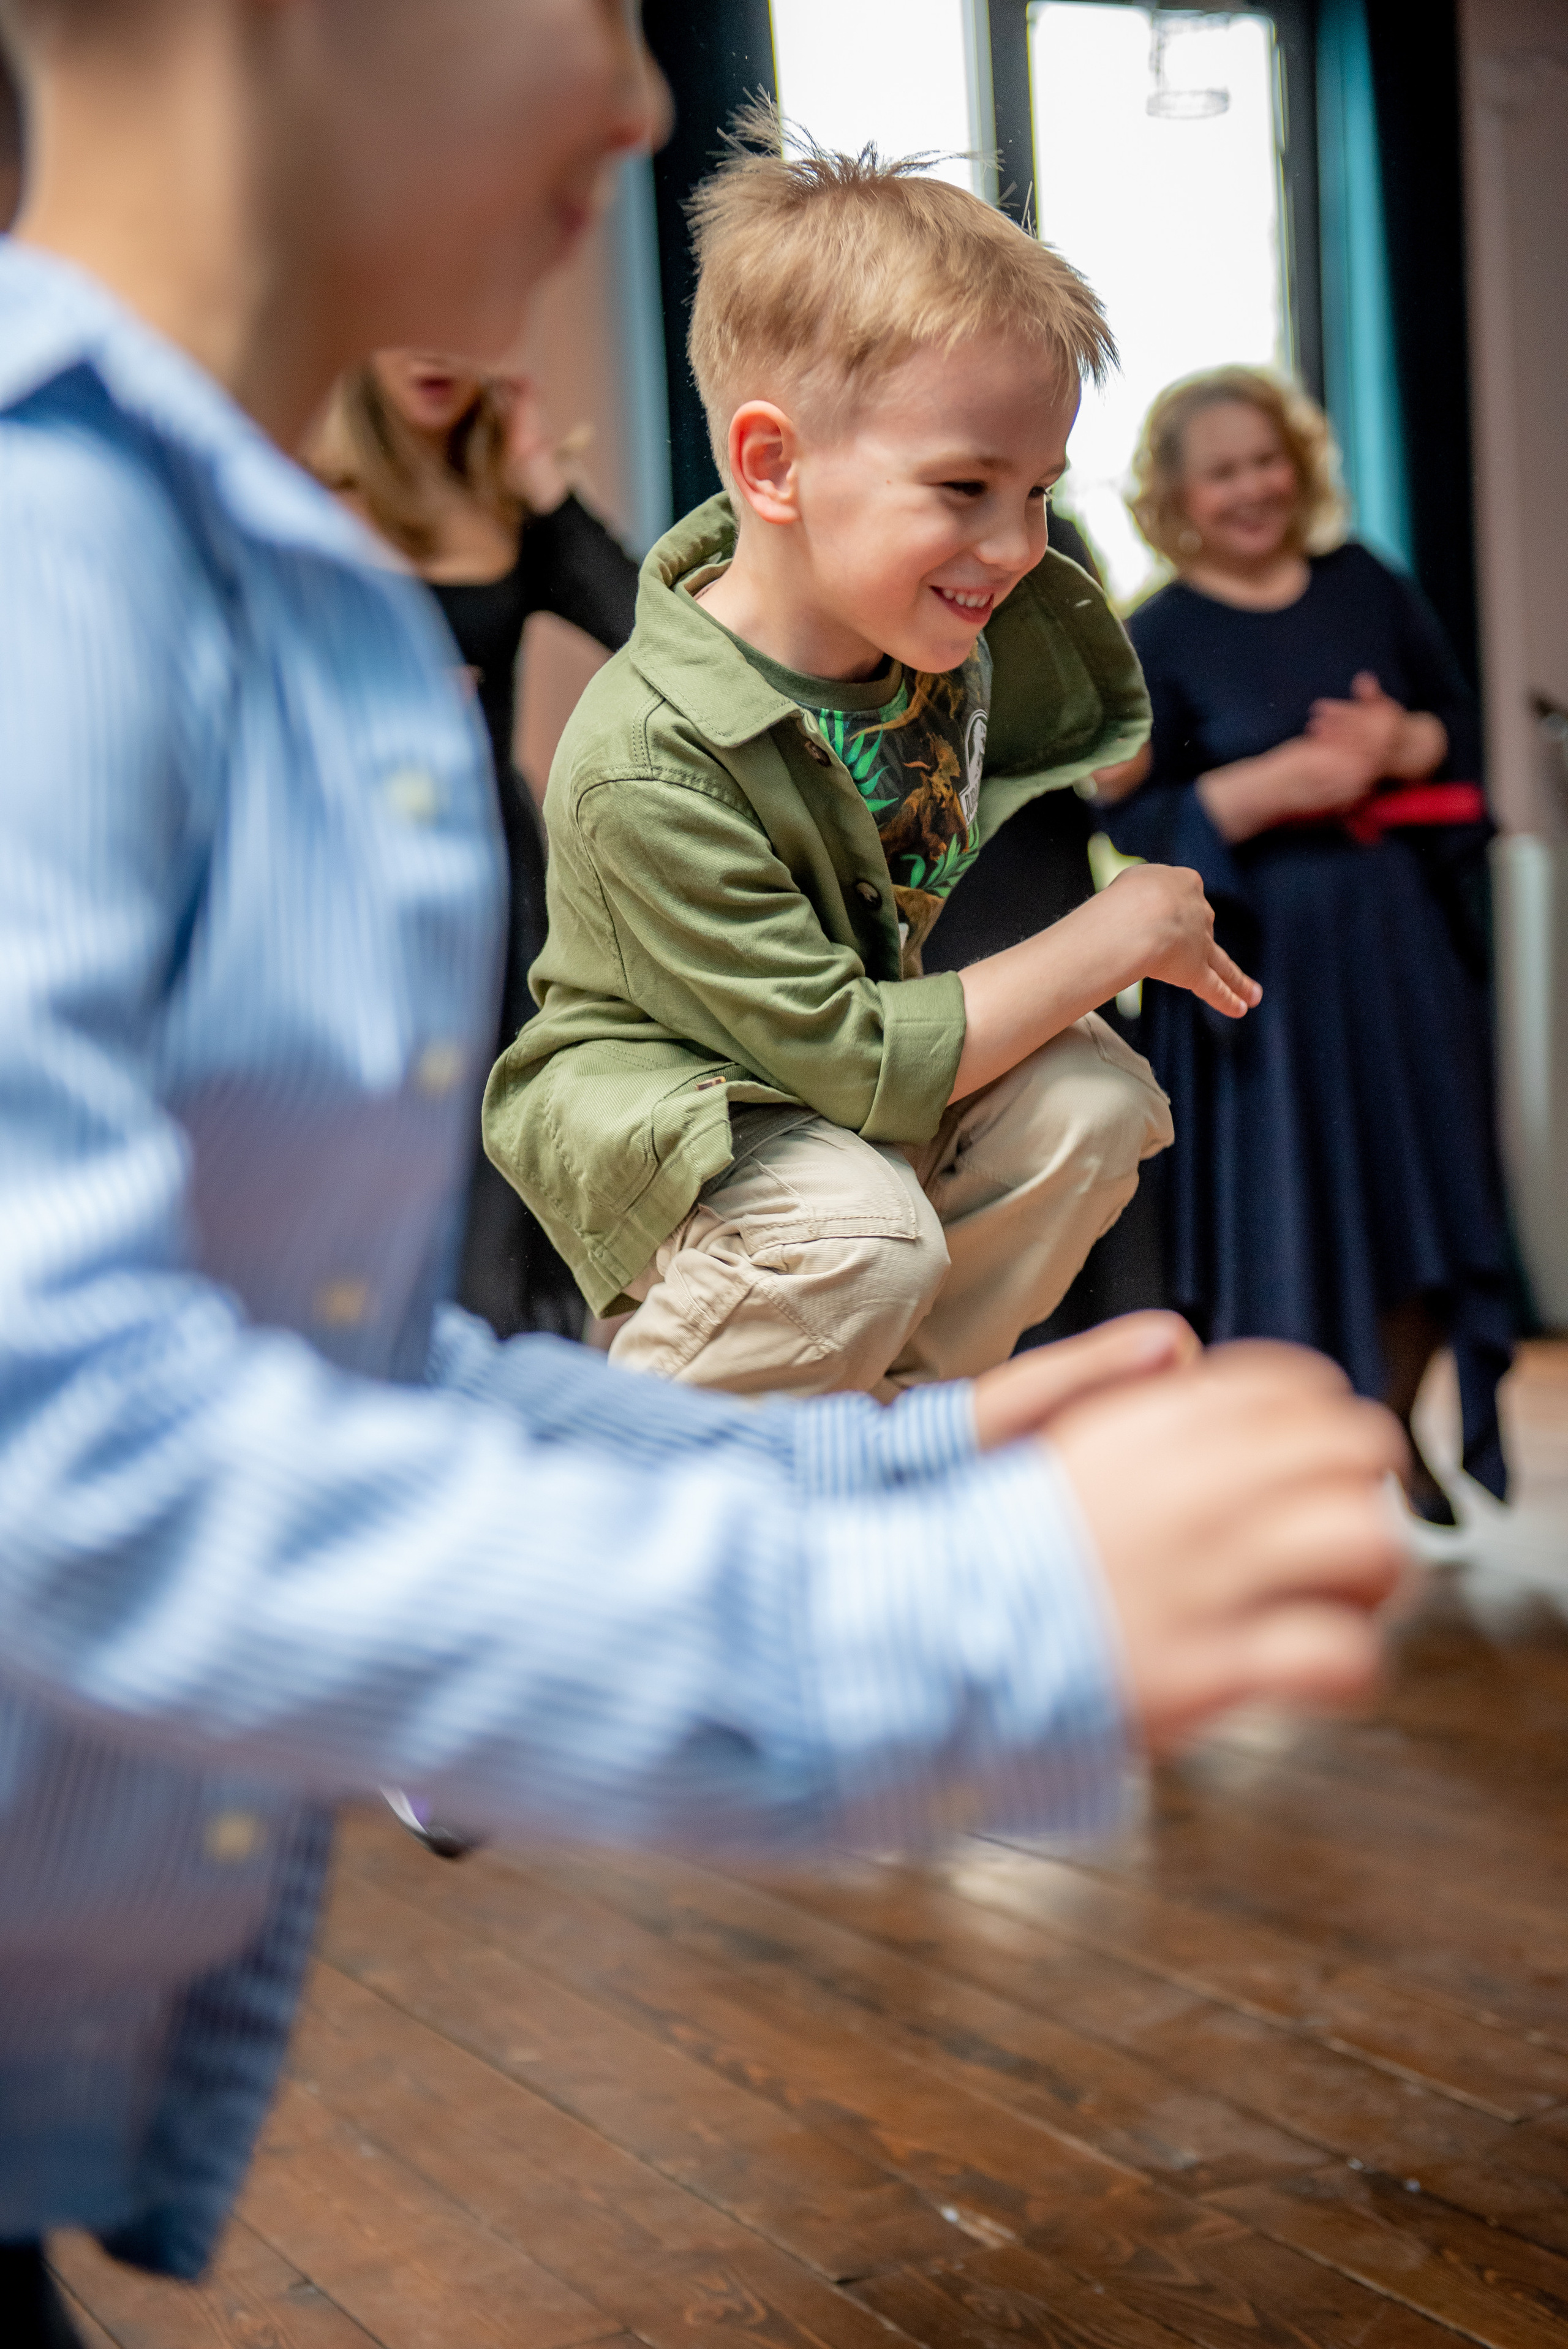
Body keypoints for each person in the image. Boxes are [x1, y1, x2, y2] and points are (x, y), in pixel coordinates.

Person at [0, 1, 1406, 2332]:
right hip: (707, 1115)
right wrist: (937, 1627)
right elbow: (52, 1446)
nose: (643, 95)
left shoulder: (262, 576)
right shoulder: (52, 565)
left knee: (1059, 1116)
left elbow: (293, 1374)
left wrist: (886, 1479)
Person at [484, 129, 1264, 1399]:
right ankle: (617, 1460)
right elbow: (850, 1061)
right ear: (773, 466)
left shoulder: (926, 648)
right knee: (857, 1230)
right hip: (678, 1115)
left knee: (1093, 1103)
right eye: (962, 487)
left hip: (826, 1088)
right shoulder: (650, 757)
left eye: (1037, 490)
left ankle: (880, 1424)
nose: (1017, 546)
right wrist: (1110, 933)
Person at [1099, 366, 1512, 1519]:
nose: (1252, 488)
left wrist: (1403, 742)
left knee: (1417, 1192)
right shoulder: (1155, 632)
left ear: (1300, 463)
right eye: (1221, 472)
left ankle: (1393, 1421)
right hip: (1252, 969)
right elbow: (1123, 822)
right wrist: (1260, 792)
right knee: (1290, 1209)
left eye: (1266, 460)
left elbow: (1459, 728)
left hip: (1395, 944)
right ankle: (1309, 1466)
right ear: (1175, 496)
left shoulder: (1365, 580)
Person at [312, 353, 640, 1336]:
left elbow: (651, 639)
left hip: (494, 865)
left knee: (500, 1117)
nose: (434, 354)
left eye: (455, 335)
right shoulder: (309, 499)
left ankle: (510, 1355)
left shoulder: (508, 509)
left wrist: (542, 475)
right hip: (347, 863)